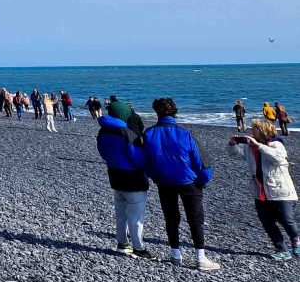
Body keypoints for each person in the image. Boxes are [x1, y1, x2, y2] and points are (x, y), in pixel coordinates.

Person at [143, 97, 219, 270]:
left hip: (164, 181)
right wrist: (203, 179)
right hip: (188, 181)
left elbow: (146, 161)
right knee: (195, 218)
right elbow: (200, 160)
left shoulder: (149, 133)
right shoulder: (184, 133)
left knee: (171, 218)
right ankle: (200, 257)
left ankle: (175, 254)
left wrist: (155, 176)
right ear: (174, 112)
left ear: (157, 112)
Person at [227, 119, 299, 260]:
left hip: (279, 189)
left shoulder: (276, 144)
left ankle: (296, 240)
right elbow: (235, 155)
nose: (252, 130)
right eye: (253, 128)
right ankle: (280, 248)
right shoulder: (250, 147)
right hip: (259, 189)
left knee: (286, 218)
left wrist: (259, 146)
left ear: (264, 130)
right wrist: (232, 145)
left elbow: (279, 159)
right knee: (266, 220)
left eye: (256, 128)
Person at [96, 100, 152, 258]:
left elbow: (103, 153)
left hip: (114, 174)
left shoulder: (103, 131)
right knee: (136, 216)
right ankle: (139, 248)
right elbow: (137, 158)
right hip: (132, 178)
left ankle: (122, 243)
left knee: (120, 214)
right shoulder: (126, 133)